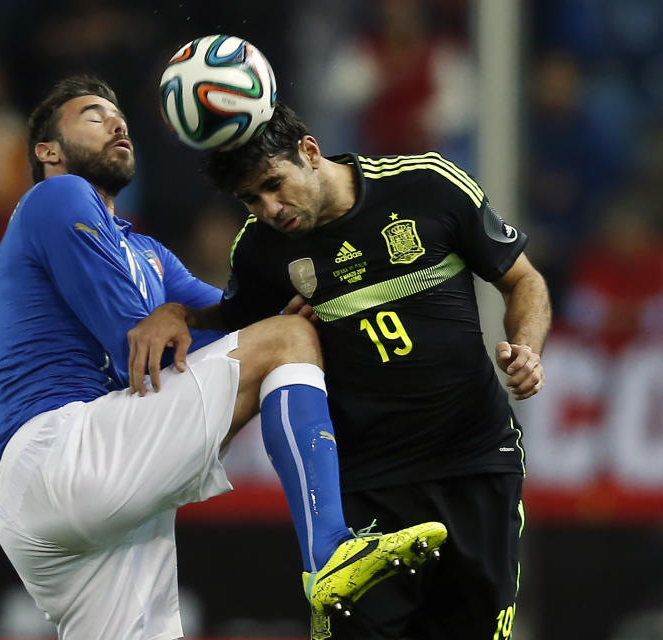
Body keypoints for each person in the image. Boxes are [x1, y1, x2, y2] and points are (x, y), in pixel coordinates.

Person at [0, 75, 446, 640]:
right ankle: (330, 551)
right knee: (285, 341)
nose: (117, 123)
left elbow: (237, 322)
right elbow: (137, 344)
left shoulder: (148, 253)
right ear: (48, 151)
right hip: (62, 449)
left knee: (286, 338)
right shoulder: (58, 197)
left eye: (118, 114)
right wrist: (268, 335)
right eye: (93, 115)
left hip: (77, 503)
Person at [194, 104, 552, 639]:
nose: (270, 208)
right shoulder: (260, 252)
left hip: (475, 466)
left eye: (274, 184)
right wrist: (175, 314)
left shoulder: (428, 185)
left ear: (310, 153)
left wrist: (526, 346)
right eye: (251, 198)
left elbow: (524, 282)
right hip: (364, 493)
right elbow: (240, 342)